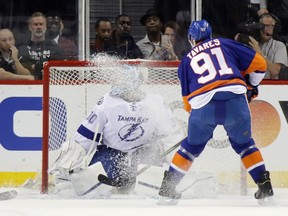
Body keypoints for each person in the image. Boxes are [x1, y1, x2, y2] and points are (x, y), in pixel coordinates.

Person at [157, 20, 274, 205]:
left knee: (190, 147)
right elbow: (260, 64)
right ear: (210, 35)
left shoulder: (186, 61)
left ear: (191, 39)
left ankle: (168, 186)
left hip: (203, 107)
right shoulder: (225, 43)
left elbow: (187, 102)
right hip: (235, 100)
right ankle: (264, 186)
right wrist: (252, 85)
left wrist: (197, 125)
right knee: (245, 146)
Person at [49, 62, 181, 194]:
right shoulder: (106, 102)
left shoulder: (156, 103)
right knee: (92, 189)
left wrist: (175, 169)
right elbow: (85, 137)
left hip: (145, 153)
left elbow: (172, 138)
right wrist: (71, 158)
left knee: (150, 191)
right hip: (111, 153)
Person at [18, 12, 63, 80]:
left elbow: (59, 71)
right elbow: (19, 68)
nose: (39, 27)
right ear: (30, 27)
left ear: (45, 26)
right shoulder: (21, 47)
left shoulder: (55, 48)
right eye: (35, 24)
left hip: (49, 84)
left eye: (41, 24)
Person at [248, 13, 288, 79]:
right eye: (263, 25)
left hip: (270, 86)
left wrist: (259, 53)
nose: (266, 29)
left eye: (271, 26)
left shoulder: (279, 46)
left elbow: (275, 71)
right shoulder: (251, 44)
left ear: (275, 28)